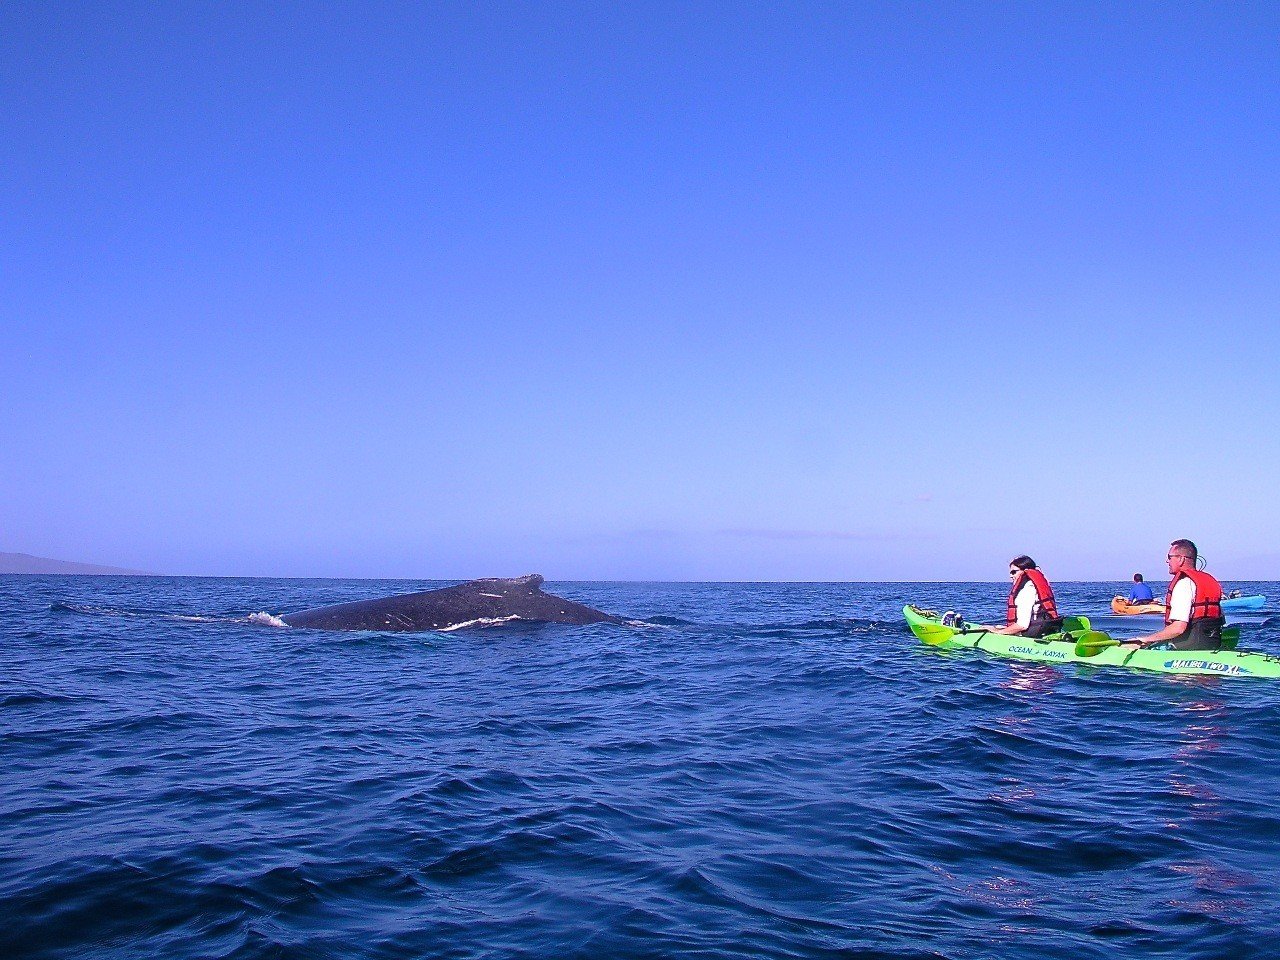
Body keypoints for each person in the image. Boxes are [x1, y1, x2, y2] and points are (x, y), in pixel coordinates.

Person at [1122, 539, 1225, 651]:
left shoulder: (1183, 584)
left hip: (1187, 647)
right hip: (1212, 644)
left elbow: (1178, 628)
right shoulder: (1209, 581)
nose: (1167, 561)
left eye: (1170, 557)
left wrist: (1146, 639)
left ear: (1181, 559)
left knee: (1128, 647)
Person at [977, 555, 1064, 637]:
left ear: (1025, 570)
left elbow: (1022, 625)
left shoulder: (1026, 590)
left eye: (1014, 572)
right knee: (999, 626)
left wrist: (998, 632)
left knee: (999, 628)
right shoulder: (1036, 585)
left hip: (1032, 634)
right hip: (1046, 630)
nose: (1011, 576)